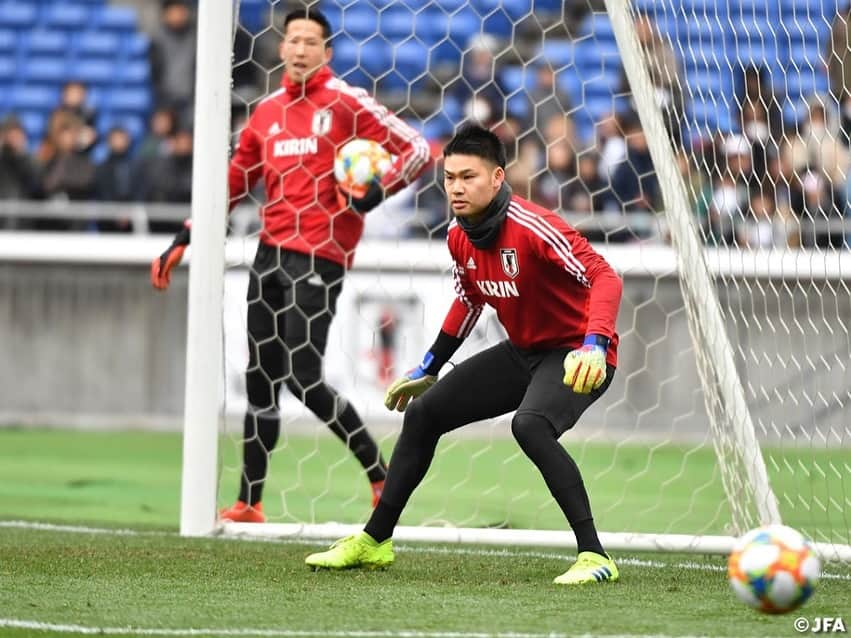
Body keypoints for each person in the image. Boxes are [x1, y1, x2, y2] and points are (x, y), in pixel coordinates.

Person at [305, 124, 624, 586]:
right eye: (450, 177)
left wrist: (595, 342)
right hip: (525, 351)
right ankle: (375, 541)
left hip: (579, 352)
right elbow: (470, 299)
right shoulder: (459, 235)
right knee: (424, 413)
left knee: (530, 425)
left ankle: (595, 556)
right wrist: (429, 366)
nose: (456, 186)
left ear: (497, 178)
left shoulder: (533, 227)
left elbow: (604, 276)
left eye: (468, 176)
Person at [150, 8, 430, 523]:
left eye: (311, 41)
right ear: (281, 49)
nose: (300, 49)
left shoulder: (347, 103)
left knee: (303, 377)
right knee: (260, 378)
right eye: (293, 39)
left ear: (326, 53)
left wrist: (374, 192)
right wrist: (186, 235)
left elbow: (416, 150)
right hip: (269, 252)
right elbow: (233, 184)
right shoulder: (266, 113)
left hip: (321, 254)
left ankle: (379, 474)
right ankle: (249, 501)